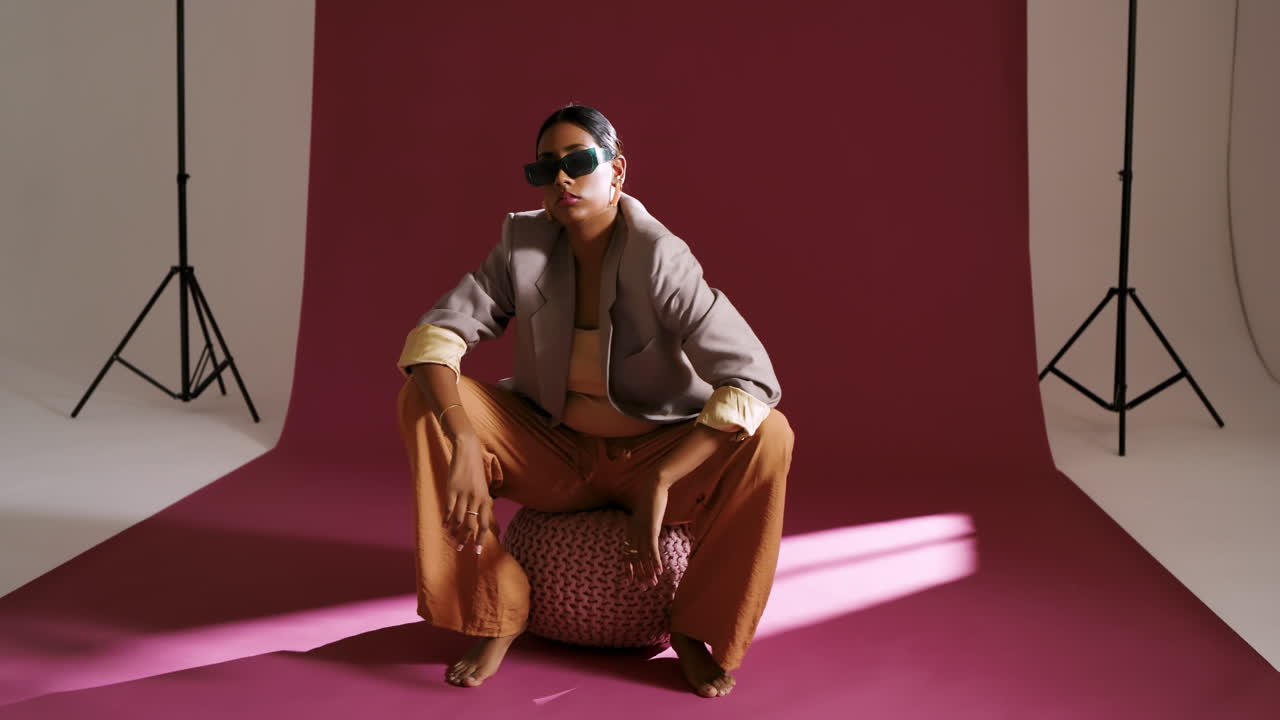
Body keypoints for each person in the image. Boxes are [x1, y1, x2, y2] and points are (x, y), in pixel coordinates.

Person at [395, 104, 794, 698]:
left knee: (771, 435)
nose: (562, 178)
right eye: (545, 168)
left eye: (579, 162)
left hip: (651, 457)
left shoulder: (659, 256)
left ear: (617, 172)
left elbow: (752, 379)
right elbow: (438, 334)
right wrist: (465, 435)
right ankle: (494, 609)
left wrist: (663, 477)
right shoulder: (521, 244)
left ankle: (694, 628)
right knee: (423, 398)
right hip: (554, 454)